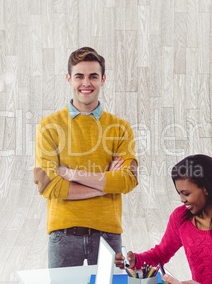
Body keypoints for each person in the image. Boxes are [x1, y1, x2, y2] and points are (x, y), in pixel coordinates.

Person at [33, 46, 138, 268]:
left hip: (108, 236)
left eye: (93, 76)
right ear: (69, 79)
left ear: (103, 79)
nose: (86, 83)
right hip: (63, 235)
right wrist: (105, 182)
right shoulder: (49, 126)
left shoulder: (120, 128)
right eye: (79, 76)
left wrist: (72, 174)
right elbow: (48, 185)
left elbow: (128, 180)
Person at [115, 154, 212, 284]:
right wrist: (135, 260)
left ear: (206, 188)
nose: (182, 200)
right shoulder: (180, 217)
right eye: (179, 193)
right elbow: (161, 254)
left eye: (186, 193)